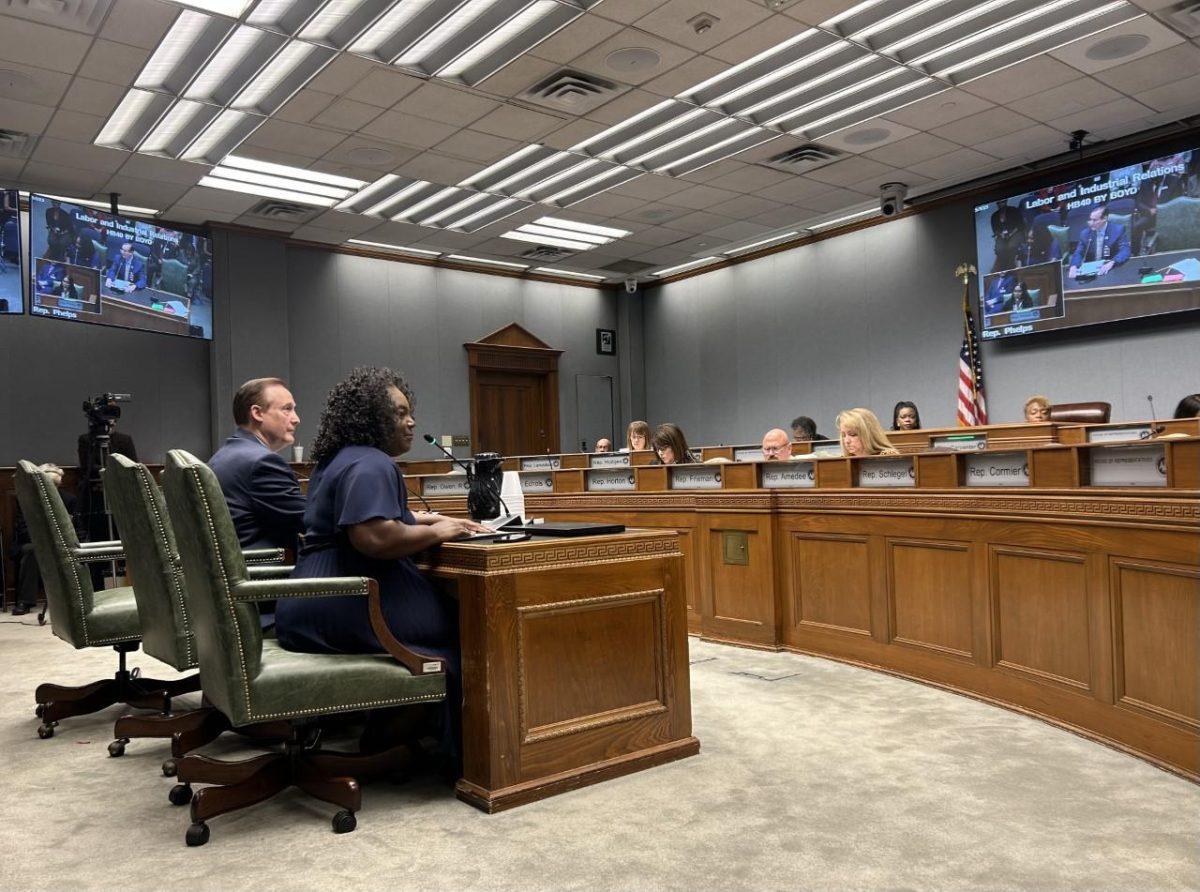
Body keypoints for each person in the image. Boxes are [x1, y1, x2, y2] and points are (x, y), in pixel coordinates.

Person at [274, 366, 488, 764]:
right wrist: (444, 530)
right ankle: (435, 750)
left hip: (308, 600)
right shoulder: (373, 463)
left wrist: (426, 521)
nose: (411, 422)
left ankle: (399, 730)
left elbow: (357, 521)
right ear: (370, 417)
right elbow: (374, 537)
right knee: (473, 626)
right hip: (348, 600)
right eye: (399, 413)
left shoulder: (336, 460)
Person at [208, 377, 306, 553]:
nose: (296, 419)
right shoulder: (262, 463)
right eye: (287, 409)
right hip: (269, 572)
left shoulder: (221, 457)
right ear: (257, 413)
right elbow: (309, 521)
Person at [10, 464, 75, 616]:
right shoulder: (27, 500)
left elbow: (77, 526)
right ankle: (25, 601)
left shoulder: (69, 500)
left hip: (63, 541)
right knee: (33, 551)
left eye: (55, 485)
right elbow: (23, 530)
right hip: (34, 542)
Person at [1068, 205, 1130, 279]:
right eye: (1090, 219)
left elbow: (1125, 250)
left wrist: (1112, 262)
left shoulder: (1117, 230)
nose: (1091, 223)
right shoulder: (1085, 233)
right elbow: (1078, 252)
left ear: (1104, 218)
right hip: (1091, 273)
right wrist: (1074, 266)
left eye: (1094, 220)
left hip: (1111, 269)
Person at [989, 199, 1026, 272]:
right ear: (997, 204)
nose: (1001, 204)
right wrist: (1001, 234)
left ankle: (1011, 266)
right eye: (999, 203)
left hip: (1016, 232)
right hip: (1002, 236)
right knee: (999, 249)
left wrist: (1011, 234)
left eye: (1002, 202)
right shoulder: (994, 216)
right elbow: (995, 230)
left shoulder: (1014, 210)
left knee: (1011, 246)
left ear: (1006, 202)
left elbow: (1021, 225)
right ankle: (1003, 266)